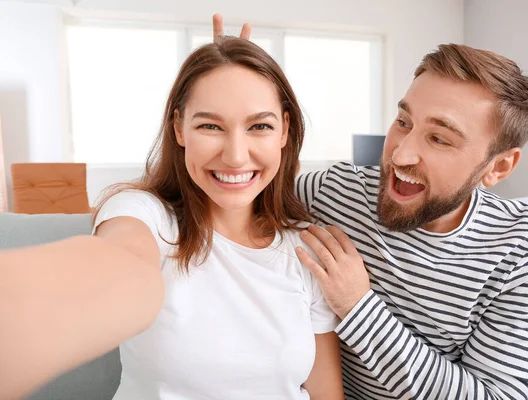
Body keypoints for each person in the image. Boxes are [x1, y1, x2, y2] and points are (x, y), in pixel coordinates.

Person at [213, 15, 528, 400]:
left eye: (439, 139)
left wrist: (357, 305)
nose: (400, 152)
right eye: (403, 121)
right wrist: (228, 90)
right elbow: (229, 187)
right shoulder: (333, 191)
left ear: (497, 167)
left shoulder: (527, 248)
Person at [0, 36, 344, 400]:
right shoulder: (143, 213)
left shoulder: (308, 249)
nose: (236, 156)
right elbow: (121, 268)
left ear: (285, 130)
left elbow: (324, 391)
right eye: (210, 126)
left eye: (259, 126)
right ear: (179, 127)